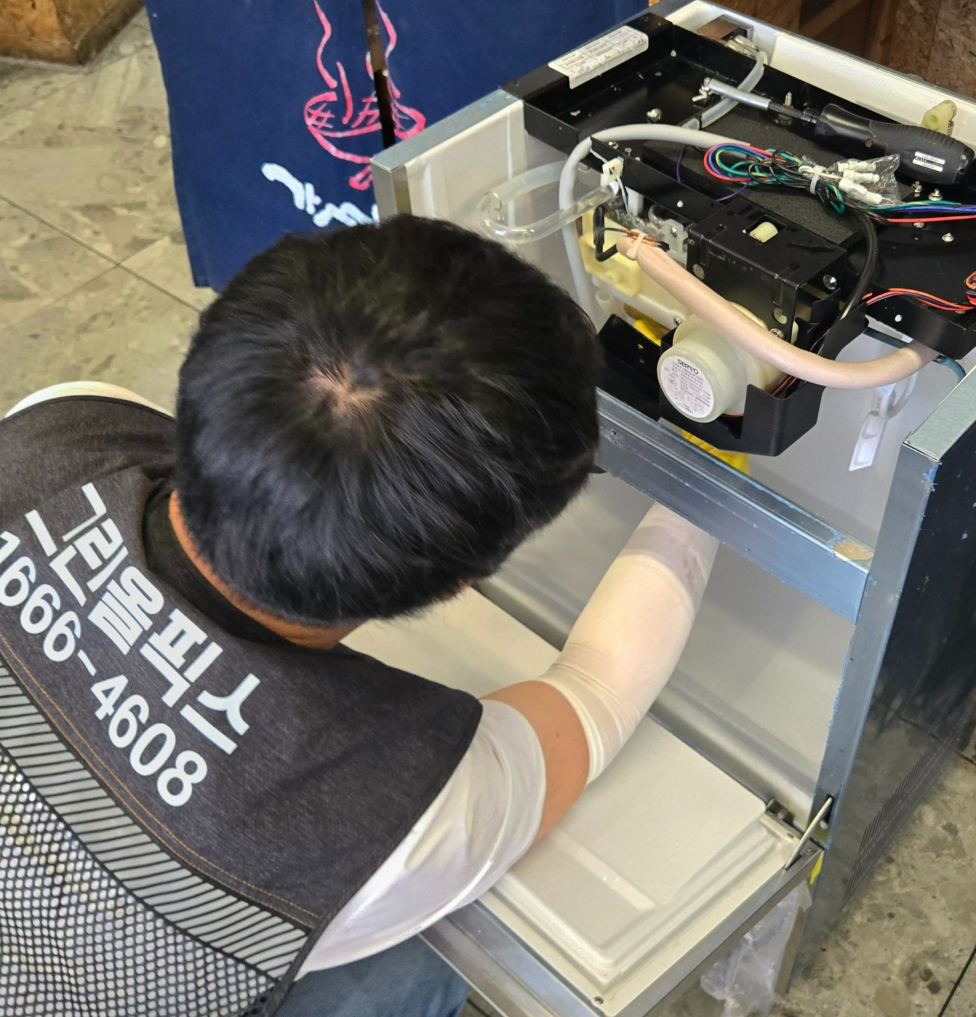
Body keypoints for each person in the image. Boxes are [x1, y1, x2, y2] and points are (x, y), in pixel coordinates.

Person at [0, 216, 718, 1017]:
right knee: (428, 964)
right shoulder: (391, 811)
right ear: (457, 587)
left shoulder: (52, 432)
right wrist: (718, 459)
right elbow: (598, 688)